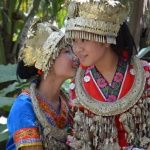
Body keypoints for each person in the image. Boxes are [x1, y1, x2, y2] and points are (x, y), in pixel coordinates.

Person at [65, 0, 150, 150]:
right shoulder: (78, 85)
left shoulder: (145, 73)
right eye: (74, 41)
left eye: (84, 39)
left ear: (105, 39)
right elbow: (78, 139)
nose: (77, 48)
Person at [6, 18, 78, 150]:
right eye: (67, 52)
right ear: (47, 61)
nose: (75, 57)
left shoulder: (69, 104)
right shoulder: (24, 106)